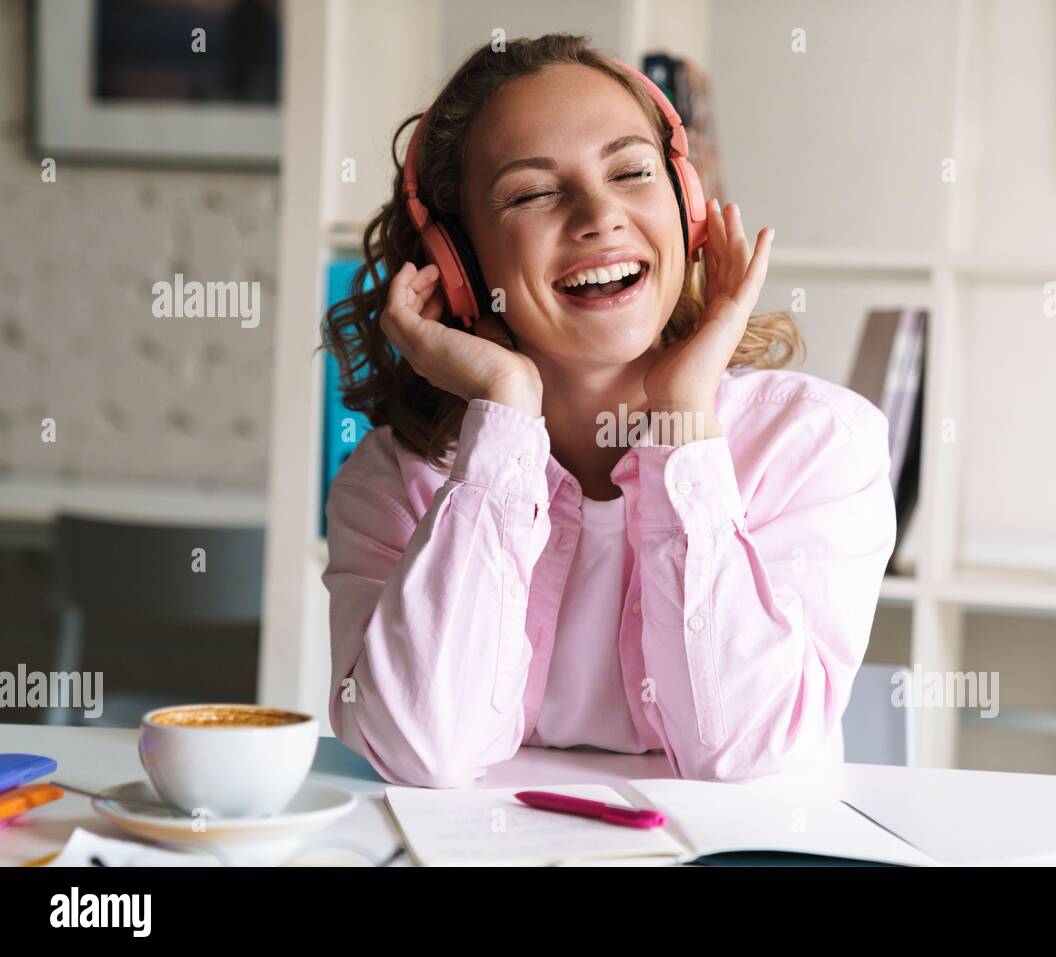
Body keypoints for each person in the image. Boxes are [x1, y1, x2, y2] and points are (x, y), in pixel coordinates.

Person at [320, 33, 895, 788]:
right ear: (458, 266)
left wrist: (685, 416)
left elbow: (749, 756)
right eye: (530, 192)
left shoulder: (820, 445)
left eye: (631, 172)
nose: (600, 216)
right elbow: (420, 748)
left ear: (686, 208)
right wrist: (506, 412)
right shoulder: (394, 481)